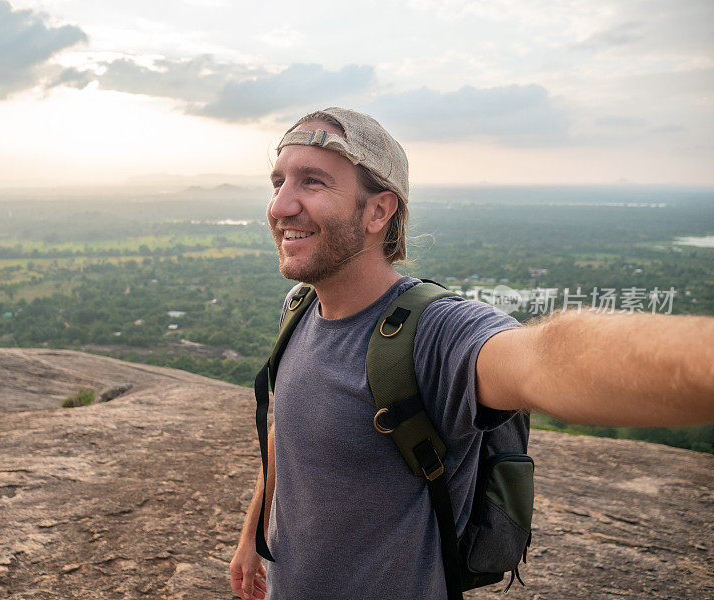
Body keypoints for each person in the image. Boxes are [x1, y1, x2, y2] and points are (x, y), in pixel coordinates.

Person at [229, 107, 714, 600]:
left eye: (312, 182)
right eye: (278, 181)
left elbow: (543, 361)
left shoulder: (432, 336)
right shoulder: (300, 308)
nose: (280, 206)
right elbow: (285, 437)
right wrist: (253, 538)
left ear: (378, 211)